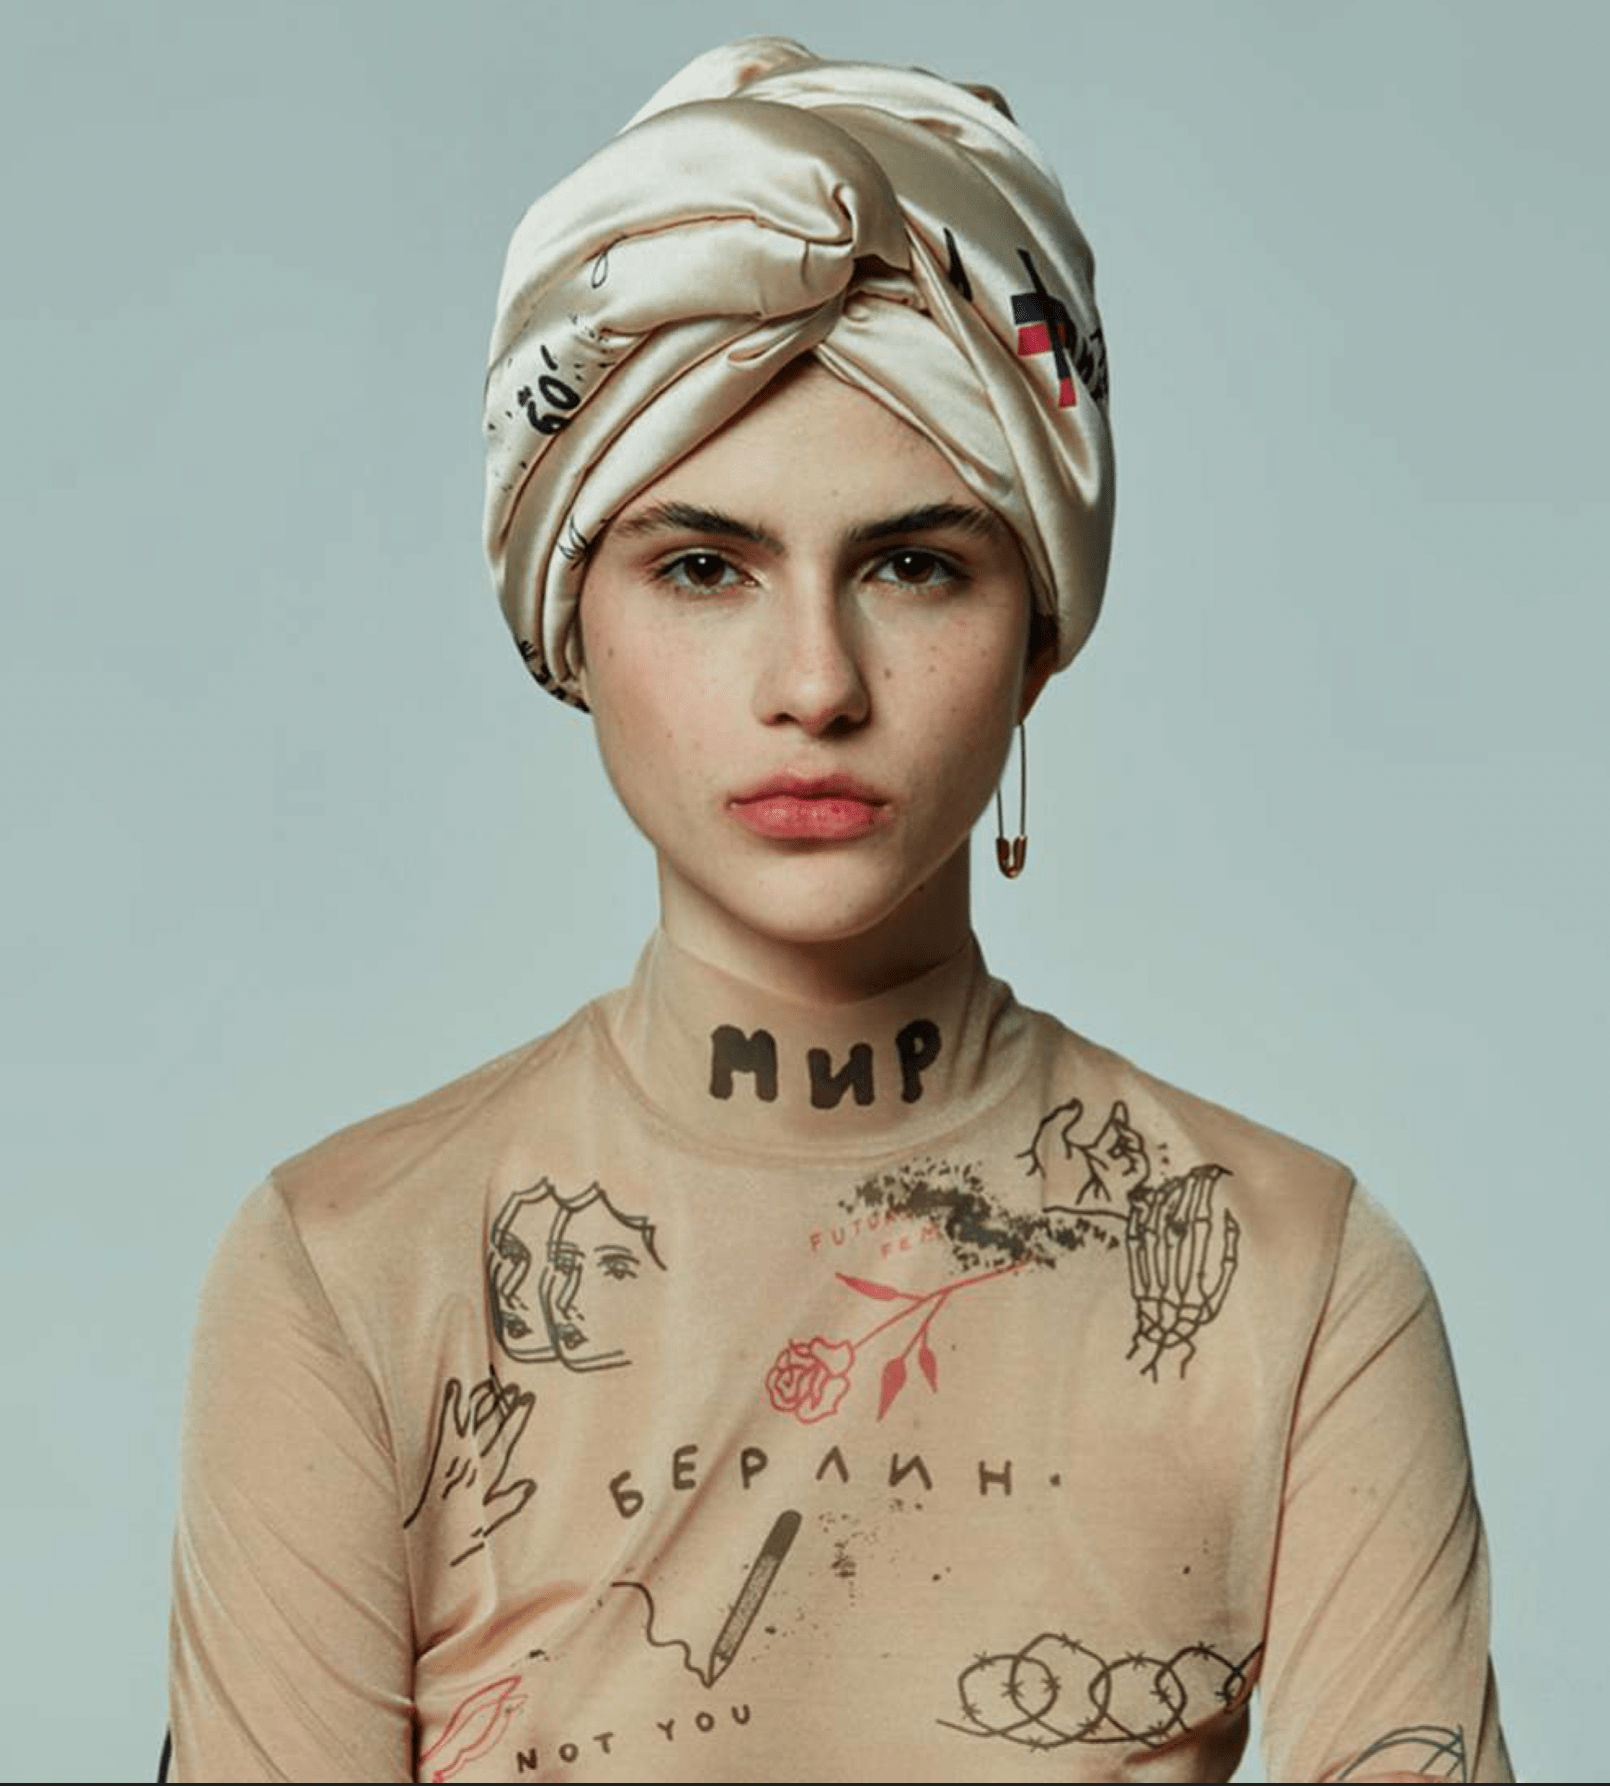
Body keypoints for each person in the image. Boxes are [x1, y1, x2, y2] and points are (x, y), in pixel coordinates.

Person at [164, 36, 1512, 1784]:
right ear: (572, 617)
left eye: (911, 564)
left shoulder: (1297, 1279)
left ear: (1037, 630)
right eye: (703, 567)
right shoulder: (350, 1266)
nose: (815, 681)